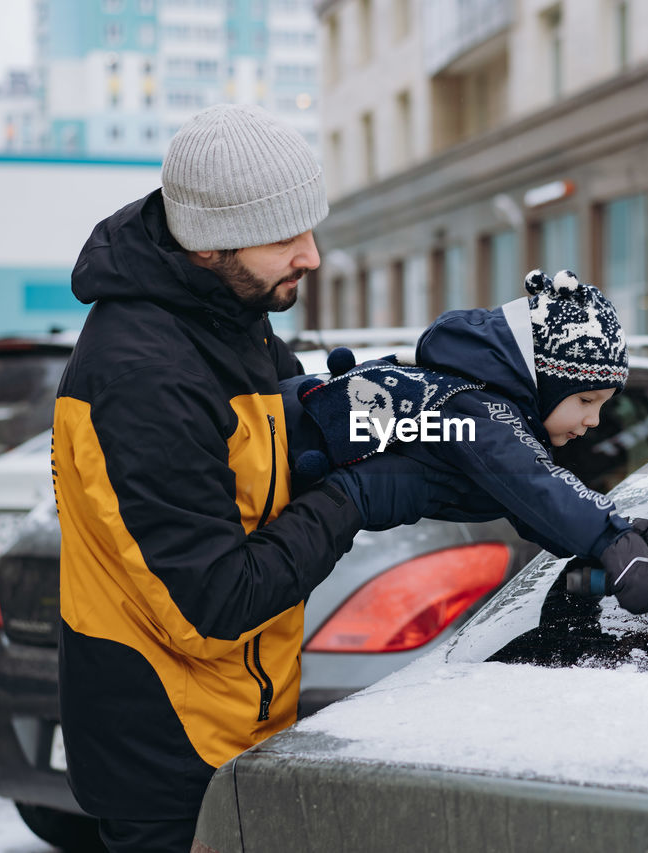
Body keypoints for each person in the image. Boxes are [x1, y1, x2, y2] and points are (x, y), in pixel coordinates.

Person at [51, 104, 442, 853]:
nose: (312, 254)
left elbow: (265, 459)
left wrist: (358, 419)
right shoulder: (145, 376)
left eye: (311, 226)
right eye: (285, 234)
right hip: (172, 758)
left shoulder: (230, 317)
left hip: (238, 723)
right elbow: (216, 600)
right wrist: (351, 497)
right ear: (207, 243)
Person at [284, 268, 648, 616]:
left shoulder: (481, 406)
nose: (593, 421)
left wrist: (616, 537)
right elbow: (532, 480)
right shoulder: (476, 407)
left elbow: (527, 505)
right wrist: (612, 538)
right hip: (262, 464)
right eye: (586, 400)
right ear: (543, 381)